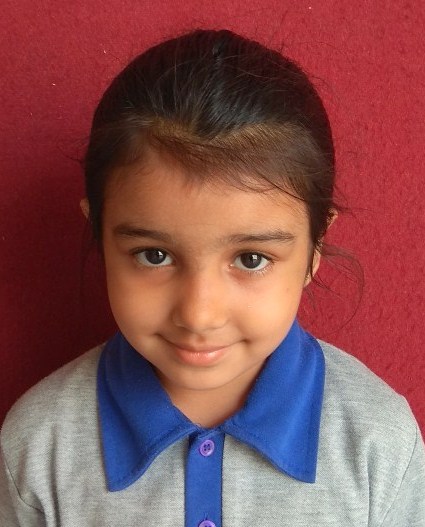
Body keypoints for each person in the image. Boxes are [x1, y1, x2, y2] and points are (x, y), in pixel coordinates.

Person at [1, 28, 424, 527]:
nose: (199, 314)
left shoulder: (379, 444)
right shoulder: (37, 448)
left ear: (315, 248)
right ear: (98, 231)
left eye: (251, 259)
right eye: (154, 255)